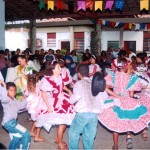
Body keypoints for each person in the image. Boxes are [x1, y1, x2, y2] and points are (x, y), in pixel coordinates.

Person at [98, 58, 150, 150]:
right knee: (127, 121)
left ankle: (116, 146)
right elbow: (131, 94)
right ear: (126, 66)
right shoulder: (132, 78)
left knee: (115, 124)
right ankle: (128, 137)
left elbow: (104, 87)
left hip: (115, 100)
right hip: (128, 101)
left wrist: (116, 96)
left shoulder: (112, 75)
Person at [37, 61, 75, 149]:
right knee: (62, 123)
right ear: (53, 70)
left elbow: (61, 85)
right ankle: (60, 143)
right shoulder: (48, 79)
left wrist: (68, 90)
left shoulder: (59, 76)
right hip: (53, 101)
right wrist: (48, 106)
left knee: (65, 122)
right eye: (58, 67)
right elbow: (43, 94)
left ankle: (58, 138)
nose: (61, 68)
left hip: (62, 98)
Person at [68, 64, 107, 149]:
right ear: (88, 73)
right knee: (89, 137)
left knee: (74, 133)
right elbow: (104, 96)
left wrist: (70, 99)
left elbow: (76, 97)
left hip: (83, 112)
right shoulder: (95, 82)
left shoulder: (79, 83)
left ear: (78, 74)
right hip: (94, 114)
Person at [0, 81, 30, 149]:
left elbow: (21, 106)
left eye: (14, 91)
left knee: (17, 136)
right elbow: (3, 98)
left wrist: (24, 98)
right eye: (11, 90)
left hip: (12, 122)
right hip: (9, 123)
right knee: (26, 134)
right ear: (6, 91)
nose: (13, 92)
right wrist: (4, 88)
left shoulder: (14, 100)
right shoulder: (6, 100)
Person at [26, 72, 47, 142]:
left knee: (35, 120)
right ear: (36, 79)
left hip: (31, 109)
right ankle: (37, 137)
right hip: (37, 108)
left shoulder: (27, 87)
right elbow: (41, 97)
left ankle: (31, 131)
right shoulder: (37, 88)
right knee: (39, 122)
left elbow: (26, 95)